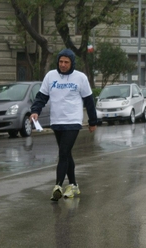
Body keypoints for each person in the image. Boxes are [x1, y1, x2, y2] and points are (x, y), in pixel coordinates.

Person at [30, 48, 98, 201]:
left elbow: (89, 101)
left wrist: (93, 121)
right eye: (61, 61)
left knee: (63, 152)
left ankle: (58, 186)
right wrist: (35, 111)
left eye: (66, 62)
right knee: (66, 154)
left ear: (72, 63)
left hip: (73, 120)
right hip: (57, 121)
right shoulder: (50, 76)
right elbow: (41, 97)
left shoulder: (80, 78)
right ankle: (73, 185)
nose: (63, 64)